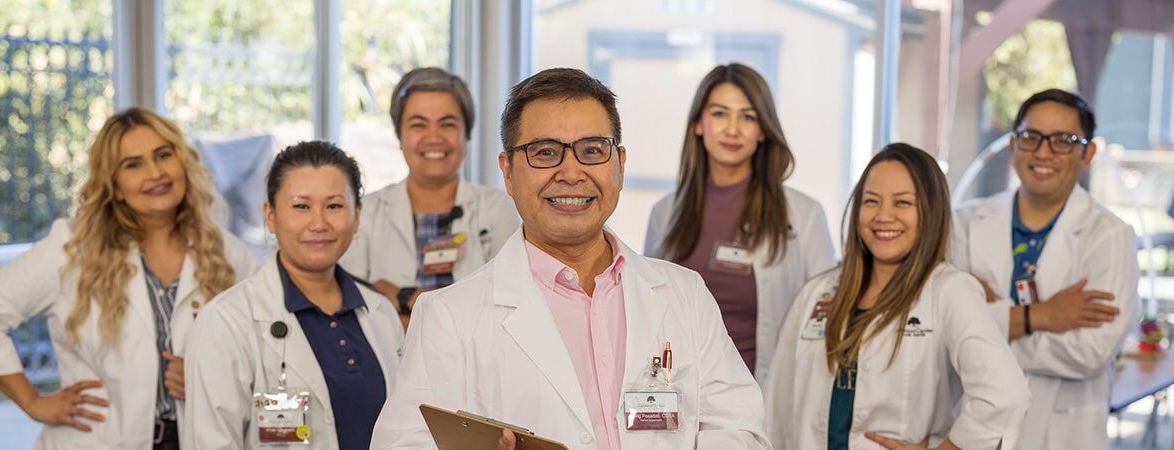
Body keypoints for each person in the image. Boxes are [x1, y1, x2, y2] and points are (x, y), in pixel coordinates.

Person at [370, 68, 768, 449]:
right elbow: (404, 443)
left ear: (620, 164)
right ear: (508, 172)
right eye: (545, 153)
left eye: (592, 150)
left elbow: (738, 427)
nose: (572, 173)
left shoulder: (685, 295)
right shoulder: (448, 317)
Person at [0, 107, 255, 449]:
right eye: (133, 164)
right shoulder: (72, 249)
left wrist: (212, 378)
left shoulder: (228, 254)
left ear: (183, 163)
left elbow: (266, 359)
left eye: (163, 155)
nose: (155, 173)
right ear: (115, 185)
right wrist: (33, 402)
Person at [764, 144, 1029, 450]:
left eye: (902, 202)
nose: (883, 216)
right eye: (871, 201)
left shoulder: (949, 291)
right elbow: (775, 410)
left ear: (930, 212)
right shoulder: (816, 293)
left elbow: (1005, 395)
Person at [949, 89, 1139, 449]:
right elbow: (945, 331)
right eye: (1031, 137)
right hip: (972, 428)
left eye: (1063, 141)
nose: (1043, 152)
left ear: (1088, 154)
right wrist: (1040, 316)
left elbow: (1090, 352)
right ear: (1012, 146)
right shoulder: (964, 223)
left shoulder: (1111, 237)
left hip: (1065, 433)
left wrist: (985, 321)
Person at [183, 142, 403, 450]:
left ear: (357, 216)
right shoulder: (226, 322)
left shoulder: (380, 313)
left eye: (334, 206)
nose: (319, 224)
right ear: (270, 215)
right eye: (301, 206)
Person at [644, 63, 835, 382]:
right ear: (699, 124)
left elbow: (824, 322)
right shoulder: (664, 213)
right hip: (680, 393)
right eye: (720, 114)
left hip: (765, 395)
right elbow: (649, 314)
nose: (732, 129)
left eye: (747, 117)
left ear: (762, 130)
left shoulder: (804, 215)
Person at [340, 67, 519, 328]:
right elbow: (351, 309)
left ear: (467, 136)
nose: (434, 138)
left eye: (447, 124)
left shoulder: (496, 208)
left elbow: (505, 307)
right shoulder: (365, 211)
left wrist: (400, 297)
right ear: (399, 136)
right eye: (418, 125)